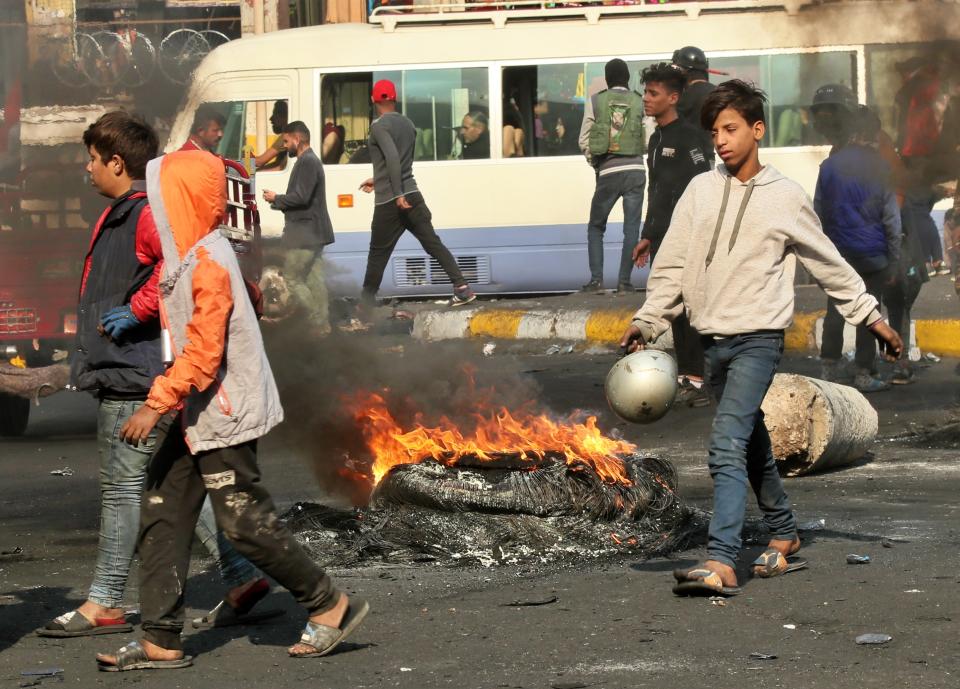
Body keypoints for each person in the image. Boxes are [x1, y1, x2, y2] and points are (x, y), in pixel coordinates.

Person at [620, 80, 903, 597]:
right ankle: (785, 531)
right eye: (714, 132)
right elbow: (673, 264)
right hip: (711, 342)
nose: (721, 141)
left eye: (730, 129)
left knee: (725, 442)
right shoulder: (700, 190)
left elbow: (827, 262)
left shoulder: (786, 197)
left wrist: (871, 316)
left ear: (756, 129)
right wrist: (648, 320)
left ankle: (723, 560)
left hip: (758, 340)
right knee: (749, 442)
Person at [95, 150, 368, 671]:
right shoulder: (192, 256)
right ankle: (160, 639)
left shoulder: (209, 264)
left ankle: (330, 604)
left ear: (185, 201)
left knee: (242, 522)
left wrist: (155, 406)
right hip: (200, 408)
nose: (156, 206)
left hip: (224, 412)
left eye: (162, 196)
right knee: (163, 509)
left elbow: (203, 352)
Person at [40, 112, 270, 640]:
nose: (88, 169)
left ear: (116, 163)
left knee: (122, 487)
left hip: (135, 372)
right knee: (171, 484)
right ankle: (241, 576)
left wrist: (138, 311)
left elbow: (178, 266)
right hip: (128, 367)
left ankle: (105, 601)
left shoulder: (145, 216)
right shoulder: (125, 213)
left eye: (93, 160)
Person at [631, 62, 712, 407]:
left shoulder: (690, 137)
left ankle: (701, 377)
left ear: (673, 98)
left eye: (653, 93)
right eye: (646, 92)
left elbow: (702, 185)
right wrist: (648, 234)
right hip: (664, 236)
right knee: (671, 305)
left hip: (691, 235)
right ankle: (687, 375)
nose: (646, 100)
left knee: (693, 305)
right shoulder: (655, 139)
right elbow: (657, 190)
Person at [812, 85, 902, 392]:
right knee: (869, 311)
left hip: (839, 254)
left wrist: (823, 253)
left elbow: (818, 213)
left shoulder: (828, 166)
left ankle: (828, 369)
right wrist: (895, 259)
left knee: (836, 309)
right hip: (874, 255)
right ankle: (864, 373)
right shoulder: (881, 167)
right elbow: (891, 217)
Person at [359, 79, 476, 307]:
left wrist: (397, 193)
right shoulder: (409, 124)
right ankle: (462, 287)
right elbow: (401, 163)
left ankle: (364, 306)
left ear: (374, 100)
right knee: (432, 243)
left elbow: (392, 157)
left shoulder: (378, 126)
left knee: (378, 254)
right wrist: (379, 179)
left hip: (391, 200)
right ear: (395, 99)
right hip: (412, 193)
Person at [577, 58, 646, 293]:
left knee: (596, 226)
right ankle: (625, 282)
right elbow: (648, 137)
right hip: (637, 171)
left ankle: (596, 280)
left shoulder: (596, 101)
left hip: (608, 171)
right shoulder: (640, 101)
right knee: (631, 228)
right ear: (628, 78)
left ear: (607, 79)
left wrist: (595, 163)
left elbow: (584, 139)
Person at [262, 121, 335, 335]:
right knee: (314, 279)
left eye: (286, 141)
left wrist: (276, 198)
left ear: (297, 139)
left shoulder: (307, 162)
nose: (285, 145)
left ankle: (315, 321)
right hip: (313, 233)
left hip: (305, 234)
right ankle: (322, 326)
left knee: (293, 278)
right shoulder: (309, 161)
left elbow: (301, 197)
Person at [672, 46, 716, 165]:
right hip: (710, 158)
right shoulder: (717, 92)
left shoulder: (684, 97)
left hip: (688, 161)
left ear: (685, 72)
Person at [254, 100, 289, 171]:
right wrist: (257, 172)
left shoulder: (287, 135)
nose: (271, 118)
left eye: (275, 114)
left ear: (284, 117)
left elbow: (259, 161)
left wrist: (234, 162)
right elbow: (278, 164)